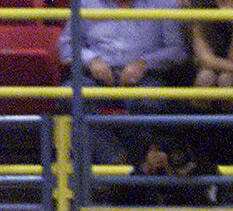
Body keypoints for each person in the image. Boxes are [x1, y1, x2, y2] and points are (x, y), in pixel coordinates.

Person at [57, 0, 189, 164]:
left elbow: (178, 51)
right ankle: (118, 161)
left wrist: (145, 63)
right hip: (95, 76)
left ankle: (145, 164)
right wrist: (91, 61)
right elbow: (66, 45)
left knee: (151, 99)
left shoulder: (165, 4)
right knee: (69, 94)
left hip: (146, 77)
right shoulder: (86, 3)